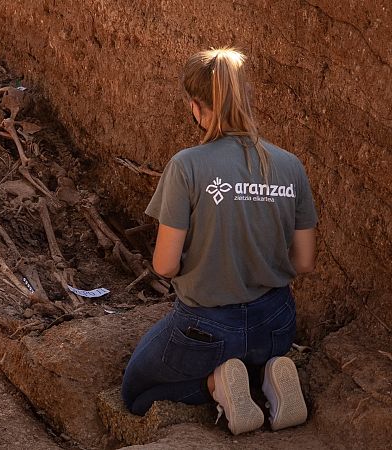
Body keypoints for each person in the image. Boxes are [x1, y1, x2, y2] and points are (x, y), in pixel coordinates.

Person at [120, 48, 317, 435]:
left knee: (136, 391)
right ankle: (268, 376)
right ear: (247, 96)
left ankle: (216, 384)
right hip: (276, 323)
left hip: (206, 327)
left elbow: (164, 265)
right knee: (252, 347)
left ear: (195, 105)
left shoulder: (187, 165)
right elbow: (305, 261)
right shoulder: (290, 165)